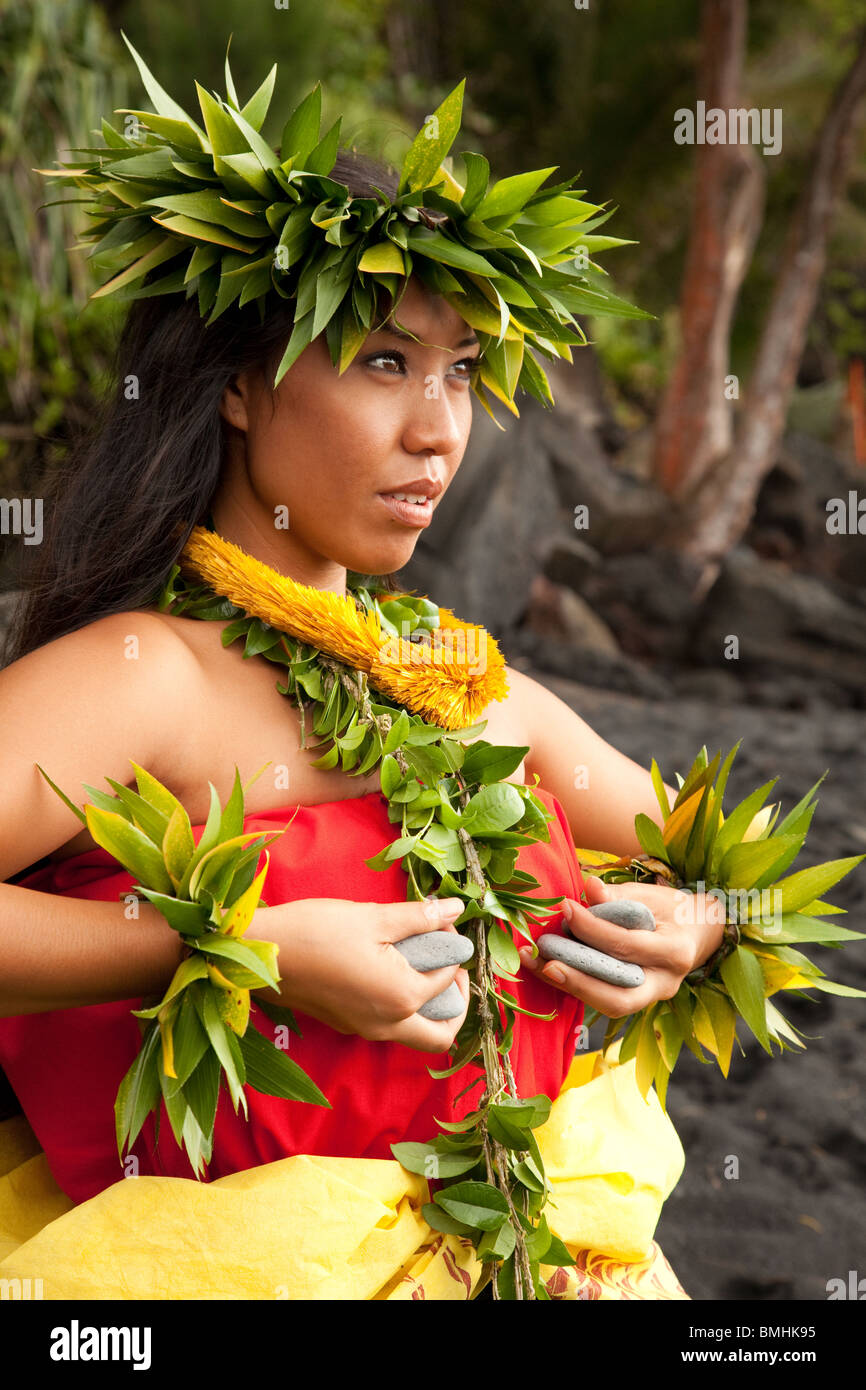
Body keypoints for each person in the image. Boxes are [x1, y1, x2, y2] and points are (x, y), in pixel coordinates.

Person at [0, 142, 726, 1213]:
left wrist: (692, 925)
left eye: (462, 371)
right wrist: (239, 947)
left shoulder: (467, 686)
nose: (436, 432)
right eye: (384, 361)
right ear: (240, 385)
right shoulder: (144, 679)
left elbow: (706, 853)